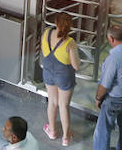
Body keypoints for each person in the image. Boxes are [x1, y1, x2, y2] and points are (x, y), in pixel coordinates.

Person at [40, 13, 80, 145]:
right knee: (64, 106)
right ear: (70, 27)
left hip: (48, 73)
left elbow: (43, 50)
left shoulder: (46, 33)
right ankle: (66, 138)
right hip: (64, 76)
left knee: (52, 102)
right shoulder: (70, 42)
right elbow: (76, 66)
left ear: (56, 23)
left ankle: (52, 131)